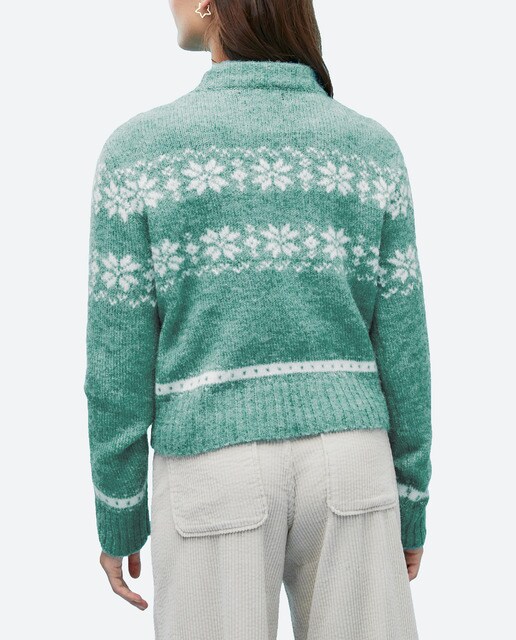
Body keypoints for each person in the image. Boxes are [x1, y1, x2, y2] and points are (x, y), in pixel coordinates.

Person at [83, 1, 432, 638]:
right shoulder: (370, 149)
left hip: (212, 463)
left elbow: (117, 361)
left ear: (210, 4)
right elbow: (404, 348)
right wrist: (410, 502)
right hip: (352, 462)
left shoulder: (140, 152)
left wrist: (119, 511)